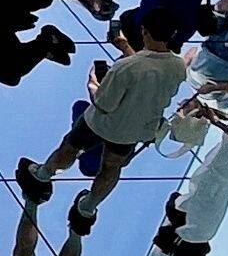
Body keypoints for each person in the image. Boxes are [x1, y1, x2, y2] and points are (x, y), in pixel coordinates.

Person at [19, 11, 187, 206]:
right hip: (134, 131)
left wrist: (94, 85)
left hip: (100, 124)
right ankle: (88, 206)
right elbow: (148, 71)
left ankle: (43, 174)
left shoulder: (125, 67)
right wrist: (125, 48)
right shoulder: (178, 67)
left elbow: (104, 105)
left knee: (71, 146)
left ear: (144, 31)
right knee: (111, 167)